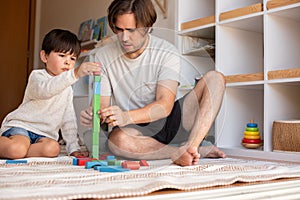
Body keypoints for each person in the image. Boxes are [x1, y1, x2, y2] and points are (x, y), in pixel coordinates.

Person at [80, 0, 226, 166]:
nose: (124, 38)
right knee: (118, 142)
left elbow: (164, 106)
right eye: (119, 30)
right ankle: (183, 152)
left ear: (148, 27)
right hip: (133, 127)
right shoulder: (103, 56)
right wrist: (94, 114)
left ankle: (192, 145)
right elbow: (102, 106)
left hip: (169, 118)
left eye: (131, 30)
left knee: (215, 79)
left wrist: (125, 115)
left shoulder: (166, 51)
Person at [0, 29, 100, 159]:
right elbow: (46, 90)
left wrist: (73, 148)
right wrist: (74, 74)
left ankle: (22, 152)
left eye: (72, 58)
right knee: (17, 148)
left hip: (44, 135)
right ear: (44, 56)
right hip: (22, 127)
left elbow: (68, 119)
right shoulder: (37, 77)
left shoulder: (67, 88)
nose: (68, 62)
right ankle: (17, 149)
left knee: (53, 149)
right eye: (62, 55)